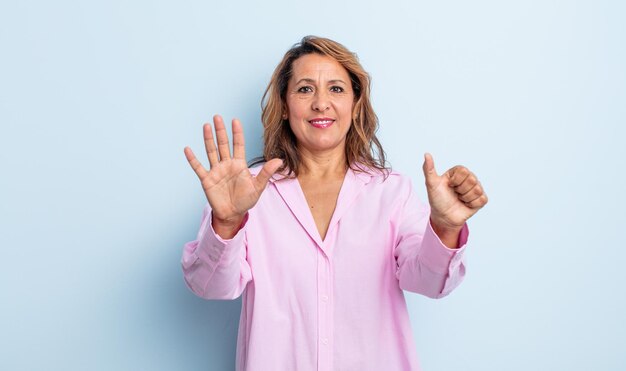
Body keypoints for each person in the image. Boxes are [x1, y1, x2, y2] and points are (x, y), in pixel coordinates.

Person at [181, 36, 487, 371]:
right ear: (284, 106)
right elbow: (210, 287)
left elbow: (429, 282)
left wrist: (445, 227)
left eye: (337, 89)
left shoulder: (391, 192)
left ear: (355, 105)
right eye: (305, 89)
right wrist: (226, 223)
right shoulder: (250, 193)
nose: (321, 103)